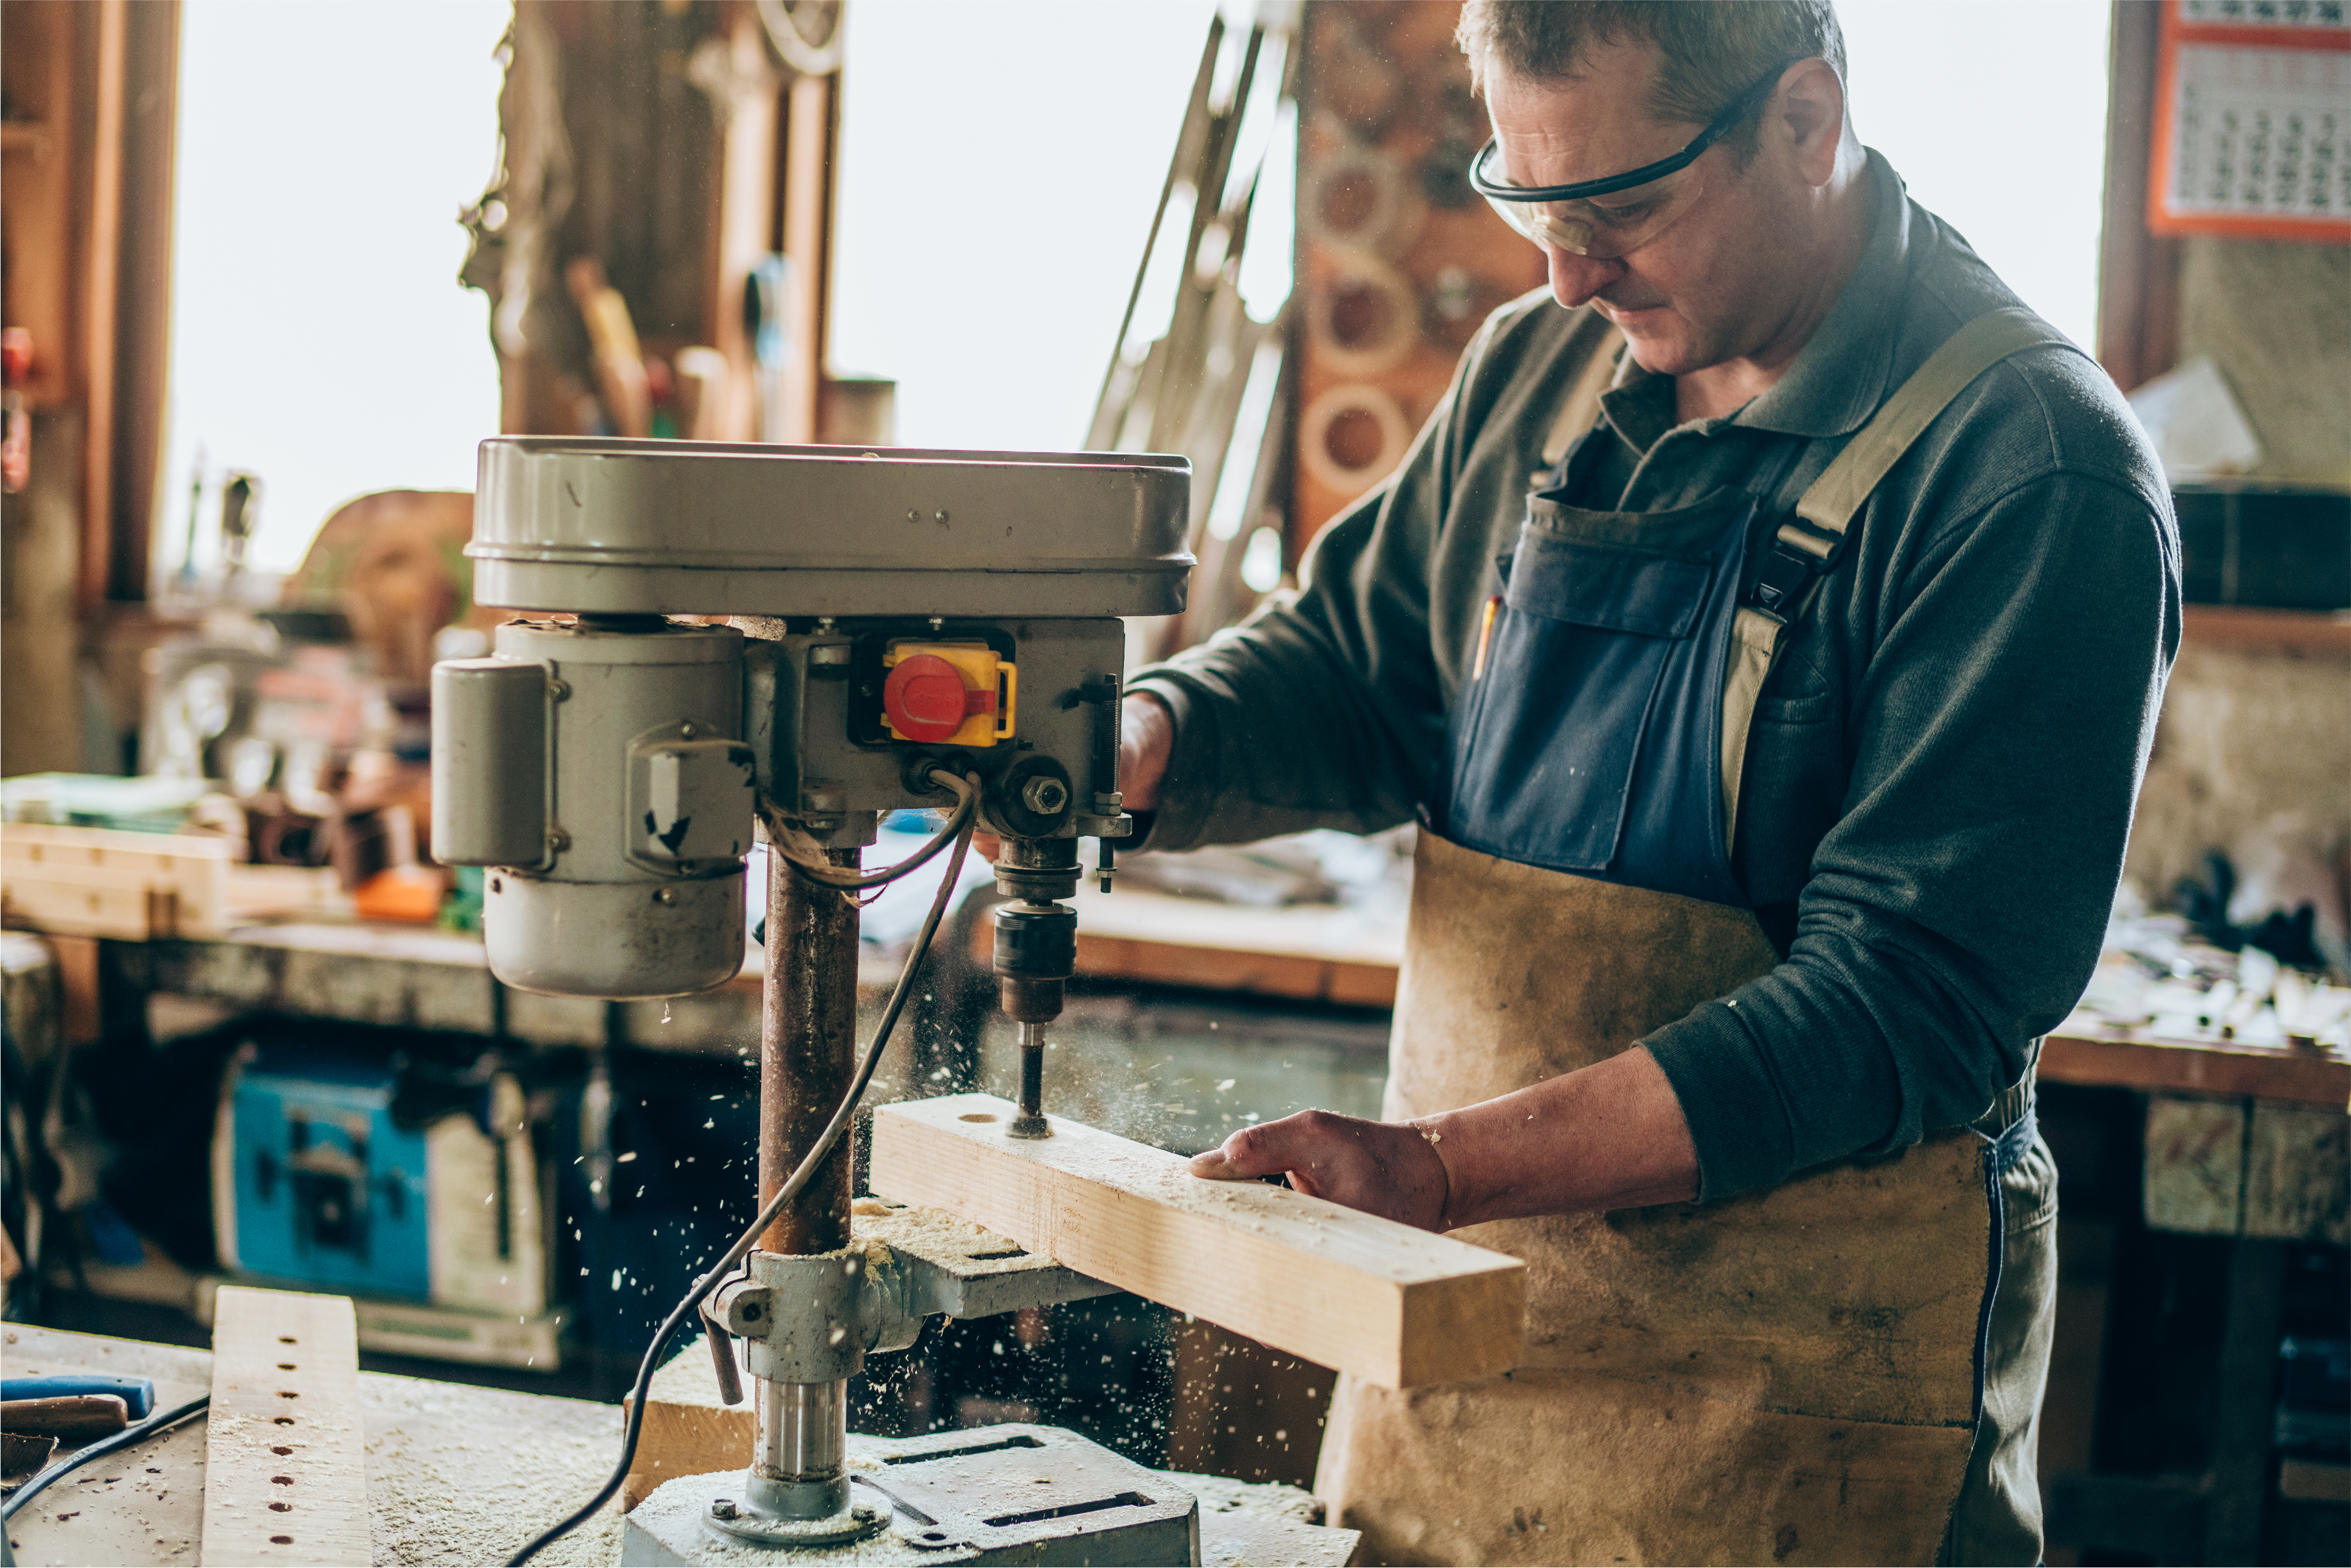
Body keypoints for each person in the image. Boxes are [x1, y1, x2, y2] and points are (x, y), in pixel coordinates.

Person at [1118, 4, 2179, 1564]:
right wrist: (1140, 741)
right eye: (1528, 203)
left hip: (1800, 1425)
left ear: (1805, 127)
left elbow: (1901, 1003)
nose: (1565, 271)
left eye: (1617, 206)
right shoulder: (1540, 366)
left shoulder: (2027, 472)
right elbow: (1358, 674)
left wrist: (1440, 1168)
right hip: (1473, 1366)